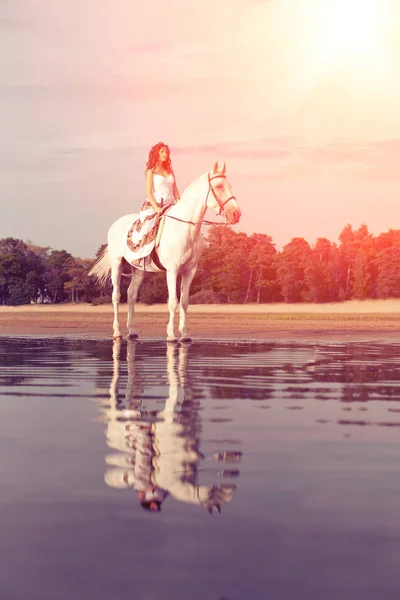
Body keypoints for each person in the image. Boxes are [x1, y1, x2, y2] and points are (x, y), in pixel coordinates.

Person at [126, 142, 181, 267]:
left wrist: (180, 203)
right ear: (156, 153)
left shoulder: (170, 171)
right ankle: (140, 256)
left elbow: (175, 190)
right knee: (148, 225)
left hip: (170, 204)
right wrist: (156, 208)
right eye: (162, 151)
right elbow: (149, 192)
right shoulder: (151, 171)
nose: (165, 154)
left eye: (166, 152)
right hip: (154, 205)